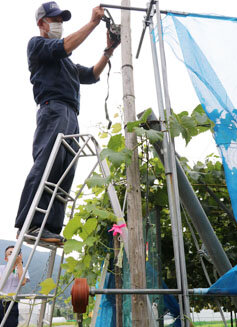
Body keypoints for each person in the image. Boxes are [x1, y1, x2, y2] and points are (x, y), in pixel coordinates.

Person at [14, 2, 119, 243]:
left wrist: (109, 51)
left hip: (71, 113)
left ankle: (49, 228)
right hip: (53, 109)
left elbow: (92, 74)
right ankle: (29, 224)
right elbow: (65, 45)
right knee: (47, 162)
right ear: (41, 23)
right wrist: (93, 22)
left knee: (65, 170)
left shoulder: (67, 64)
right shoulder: (37, 45)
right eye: (55, 20)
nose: (59, 24)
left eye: (62, 20)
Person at [0, 246, 30, 326]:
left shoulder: (23, 270)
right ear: (6, 258)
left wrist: (19, 263)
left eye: (16, 253)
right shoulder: (1, 268)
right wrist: (12, 266)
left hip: (12, 302)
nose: (13, 255)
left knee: (11, 324)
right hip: (0, 299)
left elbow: (22, 282)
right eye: (10, 253)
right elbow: (1, 281)